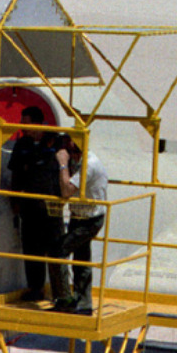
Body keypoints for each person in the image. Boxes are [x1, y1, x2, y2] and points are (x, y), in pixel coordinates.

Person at [1, 107, 66, 304]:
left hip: (51, 207)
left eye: (27, 123)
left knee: (55, 251)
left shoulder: (55, 142)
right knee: (31, 249)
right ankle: (35, 288)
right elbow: (16, 173)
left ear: (38, 123)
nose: (23, 128)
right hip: (29, 205)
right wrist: (14, 200)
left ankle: (60, 294)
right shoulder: (22, 144)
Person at [55, 133, 109, 316]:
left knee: (58, 251)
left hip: (90, 219)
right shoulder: (79, 162)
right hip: (79, 216)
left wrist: (62, 164)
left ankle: (64, 299)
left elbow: (66, 190)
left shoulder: (88, 164)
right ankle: (83, 302)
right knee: (81, 259)